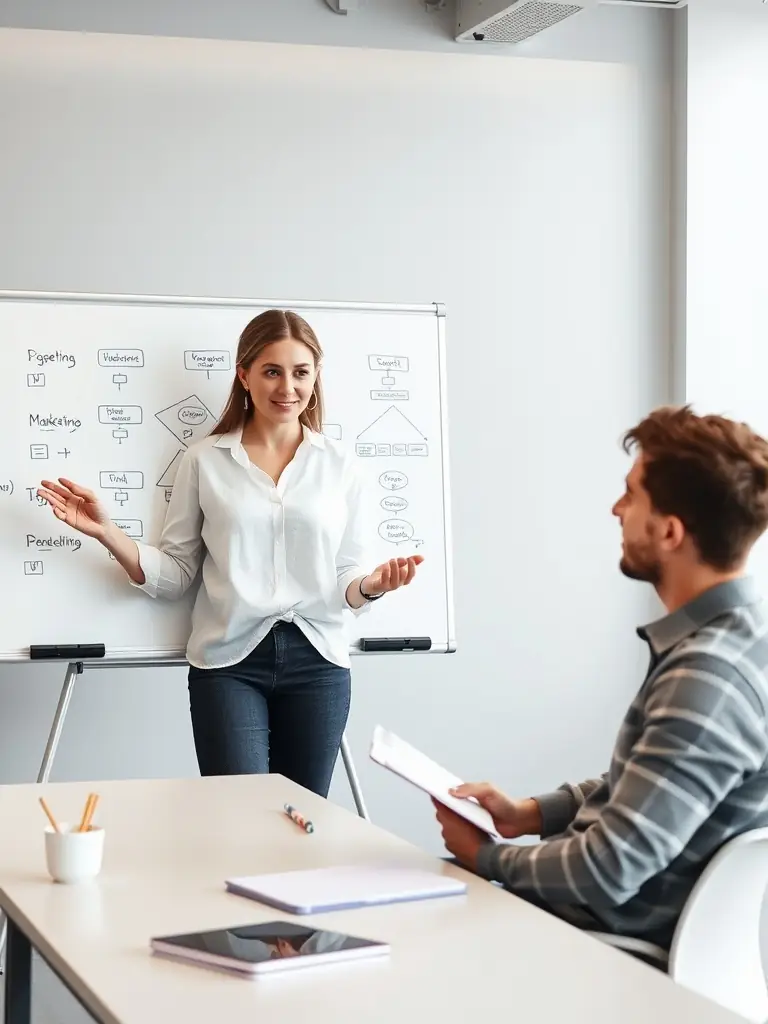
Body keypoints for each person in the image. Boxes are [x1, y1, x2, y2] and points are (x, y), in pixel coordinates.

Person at [38, 309, 422, 797]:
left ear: (316, 376)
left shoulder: (342, 466)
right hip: (229, 665)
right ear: (244, 375)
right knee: (238, 819)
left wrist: (371, 586)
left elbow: (348, 575)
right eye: (271, 371)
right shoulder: (204, 460)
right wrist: (106, 532)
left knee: (303, 822)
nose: (287, 387)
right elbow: (177, 573)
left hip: (319, 662)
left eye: (301, 372)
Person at [434, 405, 768, 952]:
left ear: (668, 531)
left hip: (595, 944)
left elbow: (609, 868)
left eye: (631, 494)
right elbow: (650, 781)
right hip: (581, 922)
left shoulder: (709, 677)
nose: (616, 509)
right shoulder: (740, 642)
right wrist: (530, 814)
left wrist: (487, 857)